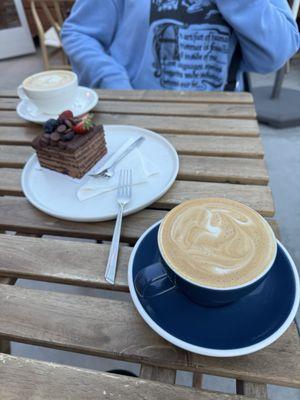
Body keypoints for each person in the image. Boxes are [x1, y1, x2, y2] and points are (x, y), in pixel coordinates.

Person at [61, 0, 300, 91]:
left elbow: (277, 53)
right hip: (134, 116)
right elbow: (79, 32)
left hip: (218, 120)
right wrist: (112, 81)